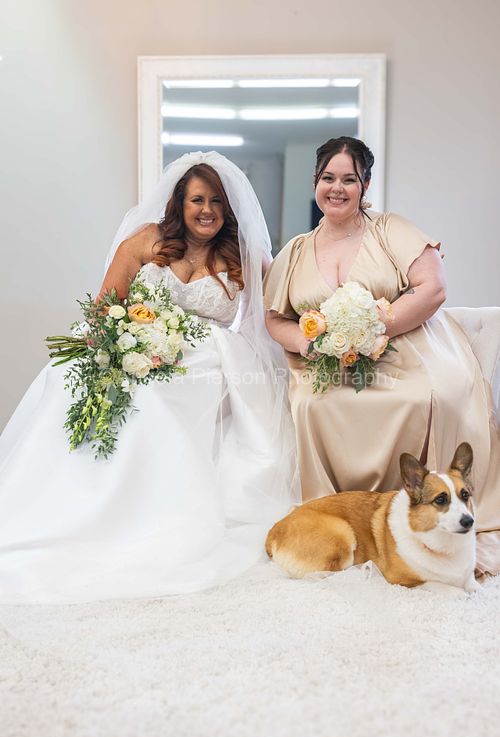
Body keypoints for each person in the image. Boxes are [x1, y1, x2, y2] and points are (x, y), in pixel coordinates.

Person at [0, 151, 298, 603]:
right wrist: (124, 344)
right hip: (138, 343)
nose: (207, 210)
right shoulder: (145, 241)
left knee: (157, 398)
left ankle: (155, 511)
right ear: (179, 202)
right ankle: (77, 501)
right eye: (198, 200)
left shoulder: (244, 255)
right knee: (67, 375)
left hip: (210, 358)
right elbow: (105, 307)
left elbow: (282, 305)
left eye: (217, 201)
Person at [264, 136, 500, 576]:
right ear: (315, 182)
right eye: (328, 178)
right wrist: (307, 342)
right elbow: (275, 319)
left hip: (403, 349)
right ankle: (338, 517)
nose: (337, 188)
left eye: (349, 179)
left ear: (365, 185)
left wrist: (374, 330)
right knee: (310, 405)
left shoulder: (391, 230)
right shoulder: (294, 251)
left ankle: (422, 515)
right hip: (327, 365)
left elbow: (434, 288)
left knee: (420, 397)